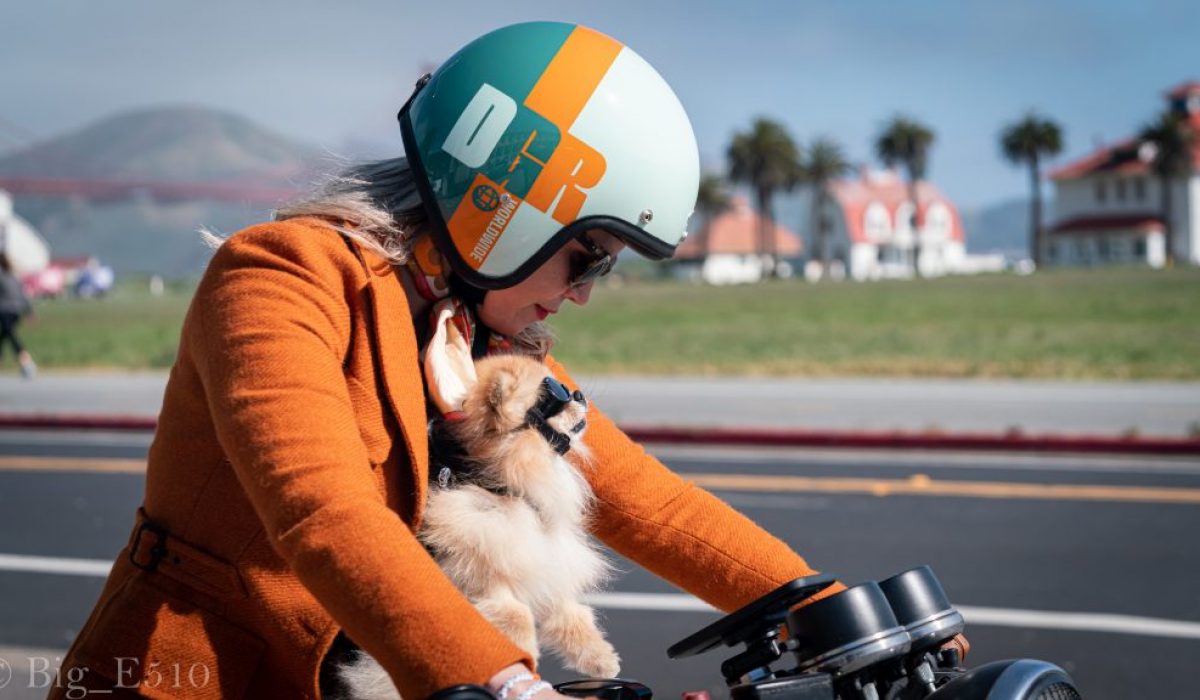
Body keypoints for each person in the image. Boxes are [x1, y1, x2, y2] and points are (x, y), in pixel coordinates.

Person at [51, 22, 846, 700]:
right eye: (587, 257)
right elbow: (323, 513)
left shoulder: (475, 340)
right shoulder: (282, 277)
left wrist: (826, 606)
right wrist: (502, 678)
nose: (582, 296)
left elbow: (647, 502)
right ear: (510, 205)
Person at [0, 252, 36, 379]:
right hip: (17, 312)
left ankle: (26, 363)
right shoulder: (13, 276)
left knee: (10, 335)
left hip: (5, 311)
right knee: (5, 335)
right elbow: (23, 295)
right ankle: (25, 363)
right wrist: (29, 311)